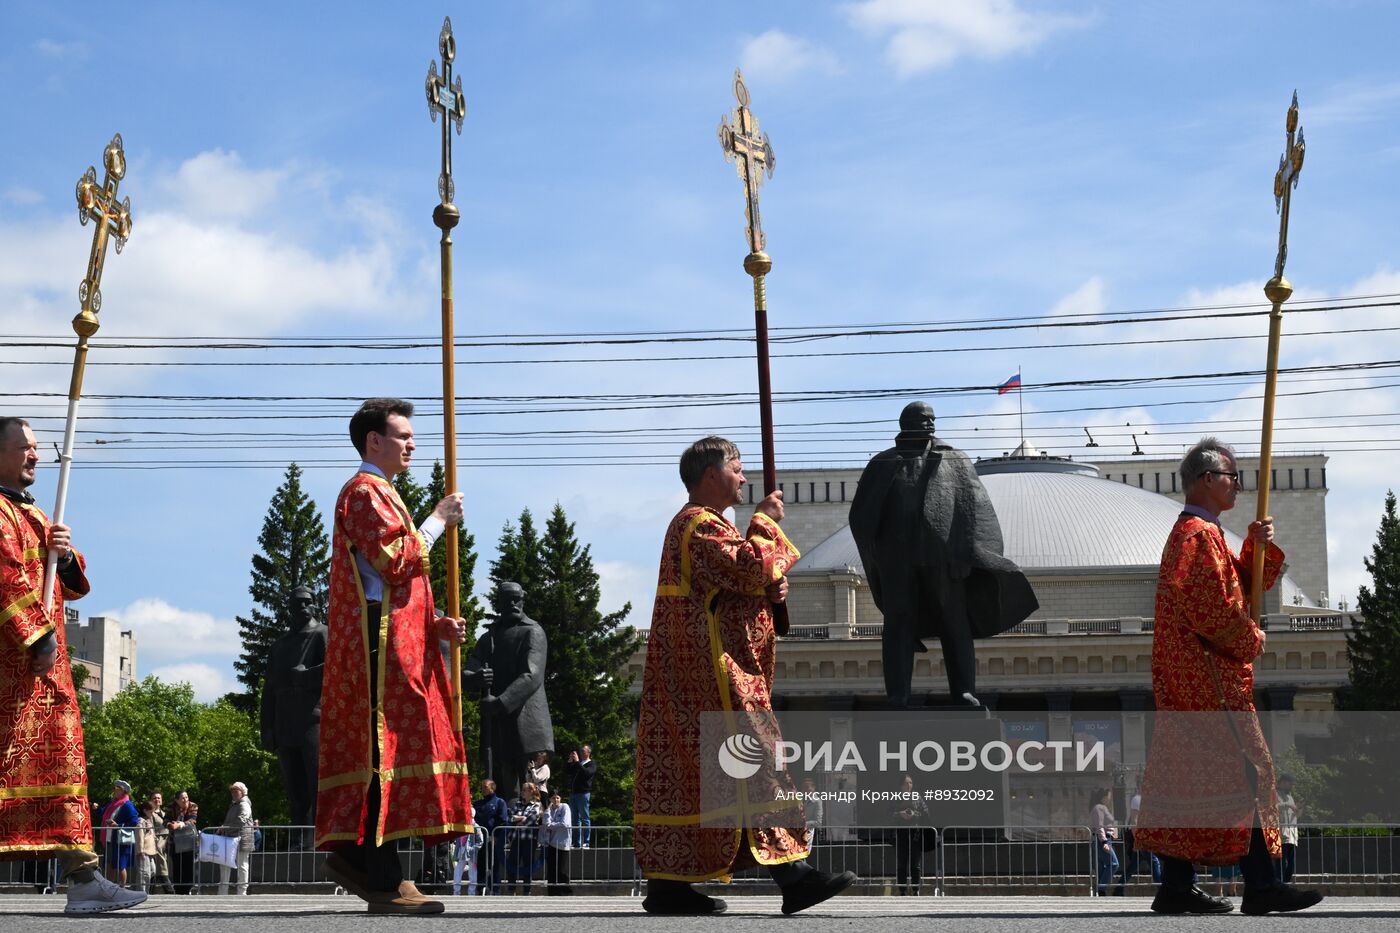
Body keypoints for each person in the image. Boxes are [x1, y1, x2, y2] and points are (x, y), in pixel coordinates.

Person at [633, 437, 855, 916]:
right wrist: (765, 524)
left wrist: (769, 591)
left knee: (698, 778)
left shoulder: (701, 527)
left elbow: (740, 585)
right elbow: (749, 565)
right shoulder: (698, 526)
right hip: (716, 678)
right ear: (711, 474)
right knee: (756, 766)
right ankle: (794, 876)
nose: (744, 477)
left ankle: (670, 887)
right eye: (737, 468)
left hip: (701, 678)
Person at [1134, 439, 1323, 916]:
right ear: (1204, 480)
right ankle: (1262, 884)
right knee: (1251, 771)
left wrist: (1256, 548)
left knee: (1190, 782)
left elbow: (1243, 586)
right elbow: (1211, 608)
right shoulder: (1197, 535)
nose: (1237, 483)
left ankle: (1176, 885)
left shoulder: (1205, 534)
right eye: (1230, 475)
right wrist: (1250, 640)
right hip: (1209, 681)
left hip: (1192, 681)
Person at [314, 399, 473, 915]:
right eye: (402, 435)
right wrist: (437, 520)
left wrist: (433, 624)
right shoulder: (363, 492)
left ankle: (373, 864)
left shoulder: (384, 493)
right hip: (376, 654)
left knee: (396, 752)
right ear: (373, 442)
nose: (412, 444)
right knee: (383, 751)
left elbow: (387, 587)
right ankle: (377, 872)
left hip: (397, 644)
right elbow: (395, 560)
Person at [0, 417, 146, 914]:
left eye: (37, 448)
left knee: (62, 770)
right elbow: (7, 580)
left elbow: (75, 584)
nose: (35, 456)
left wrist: (60, 558)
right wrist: (36, 638)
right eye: (24, 448)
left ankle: (83, 878)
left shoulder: (39, 516)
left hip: (49, 676)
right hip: (14, 669)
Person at [848, 401, 1037, 707]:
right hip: (898, 560)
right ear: (904, 423)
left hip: (943, 558)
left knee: (955, 623)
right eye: (922, 420)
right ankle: (898, 696)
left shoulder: (954, 460)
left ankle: (963, 691)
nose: (929, 425)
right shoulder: (883, 464)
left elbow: (974, 507)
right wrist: (879, 554)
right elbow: (861, 516)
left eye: (932, 420)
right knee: (898, 624)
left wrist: (968, 552)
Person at [463, 581, 554, 801]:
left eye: (517, 599)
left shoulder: (533, 632)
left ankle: (526, 832)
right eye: (507, 600)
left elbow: (531, 675)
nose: (513, 604)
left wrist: (500, 702)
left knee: (528, 788)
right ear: (499, 603)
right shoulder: (489, 638)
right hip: (497, 726)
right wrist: (474, 678)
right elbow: (468, 670)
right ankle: (502, 832)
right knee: (501, 787)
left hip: (526, 722)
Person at [260, 583, 325, 831]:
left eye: (307, 601)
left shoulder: (321, 634)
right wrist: (266, 728)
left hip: (313, 721)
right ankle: (301, 841)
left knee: (317, 784)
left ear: (314, 604)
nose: (303, 607)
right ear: (289, 609)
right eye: (298, 603)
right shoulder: (279, 646)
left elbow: (339, 670)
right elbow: (270, 690)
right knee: (295, 790)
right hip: (285, 723)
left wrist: (307, 676)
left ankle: (321, 840)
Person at [889, 775, 928, 895]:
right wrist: (900, 814)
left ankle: (916, 889)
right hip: (901, 834)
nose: (909, 785)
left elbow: (925, 813)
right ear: (901, 785)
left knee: (915, 864)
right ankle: (902, 890)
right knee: (902, 864)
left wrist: (914, 814)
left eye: (910, 783)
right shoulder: (895, 798)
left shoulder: (917, 797)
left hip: (915, 834)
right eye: (906, 783)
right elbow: (889, 815)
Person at [216, 782, 255, 895]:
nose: (233, 793)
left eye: (236, 791)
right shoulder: (235, 804)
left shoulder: (244, 804)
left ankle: (241, 892)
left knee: (242, 865)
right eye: (232, 791)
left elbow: (241, 821)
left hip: (242, 838)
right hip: (232, 837)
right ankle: (224, 891)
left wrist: (225, 828)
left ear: (242, 792)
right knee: (227, 863)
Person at [505, 782, 543, 894]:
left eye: (524, 790)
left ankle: (527, 890)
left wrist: (519, 819)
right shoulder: (517, 804)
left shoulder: (536, 805)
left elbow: (531, 820)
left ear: (531, 792)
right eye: (522, 790)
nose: (522, 792)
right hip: (516, 839)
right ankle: (511, 889)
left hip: (529, 840)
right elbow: (510, 817)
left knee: (527, 865)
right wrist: (521, 818)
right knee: (512, 863)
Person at [472, 780, 508, 895]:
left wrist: (496, 836)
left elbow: (502, 820)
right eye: (482, 786)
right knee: (481, 863)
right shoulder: (478, 804)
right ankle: (481, 888)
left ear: (492, 788)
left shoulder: (499, 802)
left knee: (494, 864)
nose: (482, 789)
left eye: (485, 787)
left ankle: (495, 888)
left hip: (494, 839)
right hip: (480, 839)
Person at [100, 780, 139, 888]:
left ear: (123, 791)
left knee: (120, 865)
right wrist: (96, 808)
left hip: (120, 839)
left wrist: (118, 825)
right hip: (110, 838)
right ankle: (110, 887)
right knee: (109, 864)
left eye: (116, 789)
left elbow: (134, 821)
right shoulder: (113, 803)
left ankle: (122, 887)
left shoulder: (127, 805)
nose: (114, 791)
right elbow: (103, 813)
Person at [1089, 787, 1123, 896]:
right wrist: (1104, 842)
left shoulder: (1101, 808)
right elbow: (1099, 826)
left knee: (1103, 865)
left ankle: (1099, 890)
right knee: (1113, 864)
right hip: (1102, 839)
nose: (1109, 798)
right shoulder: (1099, 808)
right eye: (1108, 796)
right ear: (1103, 797)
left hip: (1104, 838)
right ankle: (1101, 888)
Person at [539, 793, 572, 895]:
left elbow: (565, 823)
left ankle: (565, 892)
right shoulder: (550, 810)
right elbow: (545, 822)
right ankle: (552, 893)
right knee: (551, 870)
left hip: (562, 842)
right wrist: (548, 810)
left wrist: (551, 825)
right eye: (553, 798)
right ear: (550, 799)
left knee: (562, 870)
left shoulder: (565, 807)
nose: (556, 800)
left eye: (558, 797)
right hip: (551, 842)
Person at [166, 793, 198, 894]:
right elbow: (165, 819)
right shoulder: (171, 807)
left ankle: (187, 889)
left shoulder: (193, 806)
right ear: (177, 800)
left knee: (188, 866)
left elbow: (193, 820)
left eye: (186, 797)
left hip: (189, 841)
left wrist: (179, 825)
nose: (185, 800)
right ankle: (178, 890)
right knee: (177, 867)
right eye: (182, 798)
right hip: (174, 842)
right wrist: (169, 824)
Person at [566, 746, 595, 848]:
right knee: (575, 819)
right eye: (581, 751)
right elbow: (568, 772)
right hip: (573, 793)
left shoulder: (591, 764)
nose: (581, 753)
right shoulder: (579, 764)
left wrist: (577, 762)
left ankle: (586, 842)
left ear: (588, 752)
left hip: (583, 794)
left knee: (585, 818)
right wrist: (570, 761)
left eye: (583, 751)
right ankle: (576, 842)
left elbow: (586, 774)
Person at [147, 792, 176, 894]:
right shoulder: (150, 814)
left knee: (159, 868)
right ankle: (169, 890)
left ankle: (150, 890)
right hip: (157, 842)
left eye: (159, 798)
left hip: (167, 842)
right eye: (154, 798)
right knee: (161, 866)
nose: (157, 800)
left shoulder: (165, 813)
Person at [1276, 772, 1301, 883]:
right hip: (1281, 834)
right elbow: (1272, 807)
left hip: (1292, 833)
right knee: (1281, 861)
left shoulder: (1290, 797)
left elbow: (1295, 815)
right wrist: (1287, 805)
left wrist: (1299, 809)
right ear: (1283, 782)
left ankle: (1286, 882)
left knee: (1291, 861)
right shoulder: (1275, 794)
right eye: (1290, 784)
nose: (1292, 786)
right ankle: (1279, 882)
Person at [136, 802, 157, 893]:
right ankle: (142, 892)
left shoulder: (149, 820)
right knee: (144, 873)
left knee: (152, 871)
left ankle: (145, 891)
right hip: (144, 850)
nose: (152, 814)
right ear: (145, 811)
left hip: (151, 851)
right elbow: (140, 836)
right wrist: (140, 850)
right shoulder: (141, 821)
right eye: (151, 812)